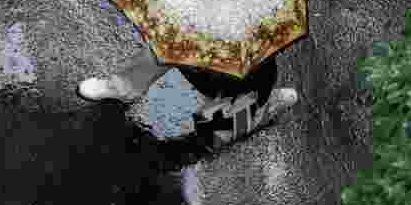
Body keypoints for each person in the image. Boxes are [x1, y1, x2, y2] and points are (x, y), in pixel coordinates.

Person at [78, 46, 298, 146]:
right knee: (162, 47)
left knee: (214, 134)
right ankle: (121, 87)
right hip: (200, 55)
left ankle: (264, 109)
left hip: (243, 83)